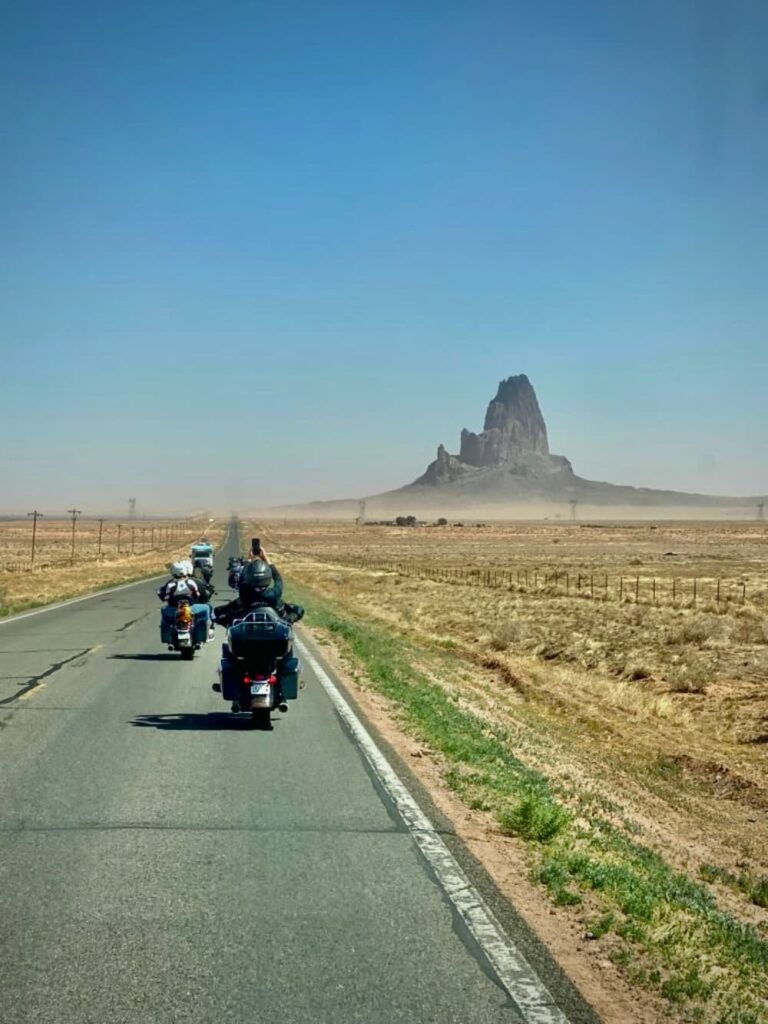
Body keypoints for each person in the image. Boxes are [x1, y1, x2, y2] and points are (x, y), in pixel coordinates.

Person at [157, 562, 212, 645]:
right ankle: (209, 627)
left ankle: (167, 635)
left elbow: (166, 598)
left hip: (175, 609)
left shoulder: (170, 584)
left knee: (164, 612)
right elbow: (197, 595)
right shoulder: (192, 582)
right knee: (207, 608)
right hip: (191, 607)